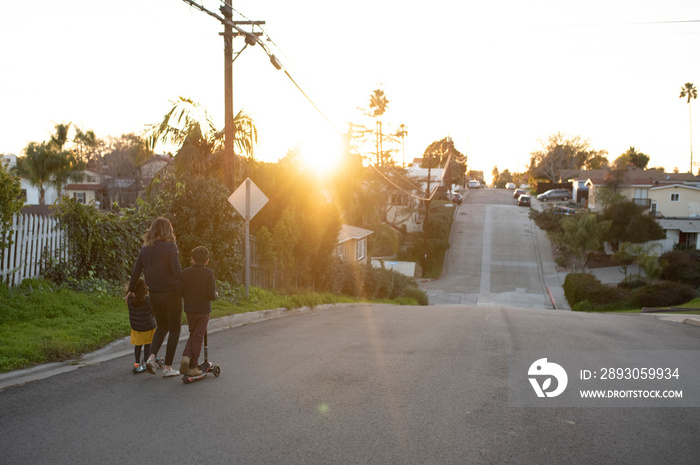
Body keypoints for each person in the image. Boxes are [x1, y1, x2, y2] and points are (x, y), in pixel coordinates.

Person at [127, 217, 183, 378]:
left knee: (162, 327)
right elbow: (176, 271)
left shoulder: (145, 250)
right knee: (174, 329)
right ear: (168, 231)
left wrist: (131, 290)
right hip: (172, 294)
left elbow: (136, 273)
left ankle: (151, 357)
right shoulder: (170, 247)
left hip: (154, 296)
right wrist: (189, 282)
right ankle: (167, 367)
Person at [178, 246, 217, 377]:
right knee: (198, 337)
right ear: (207, 261)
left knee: (192, 333)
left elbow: (180, 292)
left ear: (192, 259)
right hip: (203, 310)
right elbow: (210, 294)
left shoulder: (185, 272)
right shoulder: (209, 273)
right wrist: (216, 295)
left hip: (190, 310)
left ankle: (186, 356)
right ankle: (193, 366)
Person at [126, 277, 156, 373]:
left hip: (136, 328)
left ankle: (137, 363)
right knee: (148, 344)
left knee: (138, 346)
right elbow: (153, 313)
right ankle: (146, 362)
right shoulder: (148, 300)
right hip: (148, 327)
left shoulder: (129, 301)